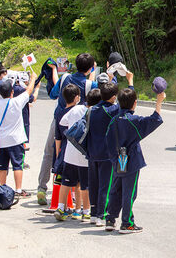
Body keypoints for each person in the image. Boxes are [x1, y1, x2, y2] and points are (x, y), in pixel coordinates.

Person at [37, 53, 97, 205]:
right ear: (90, 69)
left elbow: (52, 94)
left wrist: (55, 73)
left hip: (59, 120)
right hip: (77, 126)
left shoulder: (65, 79)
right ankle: (76, 196)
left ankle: (42, 188)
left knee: (50, 153)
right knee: (77, 158)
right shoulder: (91, 85)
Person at [104, 87, 165, 234]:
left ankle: (110, 219)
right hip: (131, 160)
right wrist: (159, 102)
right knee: (129, 193)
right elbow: (154, 120)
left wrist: (113, 157)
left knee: (115, 189)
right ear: (135, 103)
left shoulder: (113, 121)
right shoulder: (133, 121)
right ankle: (127, 223)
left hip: (117, 159)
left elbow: (108, 140)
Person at [87, 71, 133, 226]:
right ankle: (102, 214)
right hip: (107, 154)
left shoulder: (91, 110)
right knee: (106, 185)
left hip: (92, 152)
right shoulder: (112, 110)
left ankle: (93, 213)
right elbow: (128, 104)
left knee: (93, 183)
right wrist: (130, 82)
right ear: (113, 97)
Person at [0, 71, 38, 197]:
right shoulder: (16, 102)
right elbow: (29, 91)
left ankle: (2, 188)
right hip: (16, 140)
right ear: (12, 92)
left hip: (1, 141)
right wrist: (33, 79)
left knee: (2, 166)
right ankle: (18, 190)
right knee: (18, 165)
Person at [53, 87, 101, 222]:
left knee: (66, 182)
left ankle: (61, 208)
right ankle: (86, 212)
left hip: (70, 153)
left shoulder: (76, 109)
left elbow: (62, 122)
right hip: (85, 155)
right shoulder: (95, 113)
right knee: (85, 185)